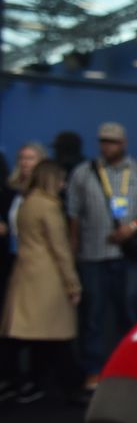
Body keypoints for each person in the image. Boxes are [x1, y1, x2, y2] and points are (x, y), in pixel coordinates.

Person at [68, 122, 137, 392]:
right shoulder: (84, 172)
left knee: (128, 311)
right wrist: (73, 246)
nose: (106, 146)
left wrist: (132, 227)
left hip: (128, 253)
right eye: (103, 141)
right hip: (93, 253)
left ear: (123, 143)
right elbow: (73, 213)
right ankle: (94, 369)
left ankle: (129, 367)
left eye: (112, 141)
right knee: (94, 315)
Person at [0, 161, 83, 404]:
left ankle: (23, 381)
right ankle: (70, 386)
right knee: (57, 336)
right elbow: (60, 248)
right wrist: (73, 283)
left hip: (24, 272)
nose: (63, 184)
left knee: (23, 335)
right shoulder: (48, 207)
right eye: (60, 179)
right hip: (48, 278)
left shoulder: (27, 202)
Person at [0, 143, 48, 402]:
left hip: (38, 267)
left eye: (31, 158)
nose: (26, 162)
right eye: (22, 157)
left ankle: (35, 380)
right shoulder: (11, 192)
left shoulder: (49, 195)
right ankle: (11, 378)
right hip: (12, 262)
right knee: (10, 326)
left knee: (37, 326)